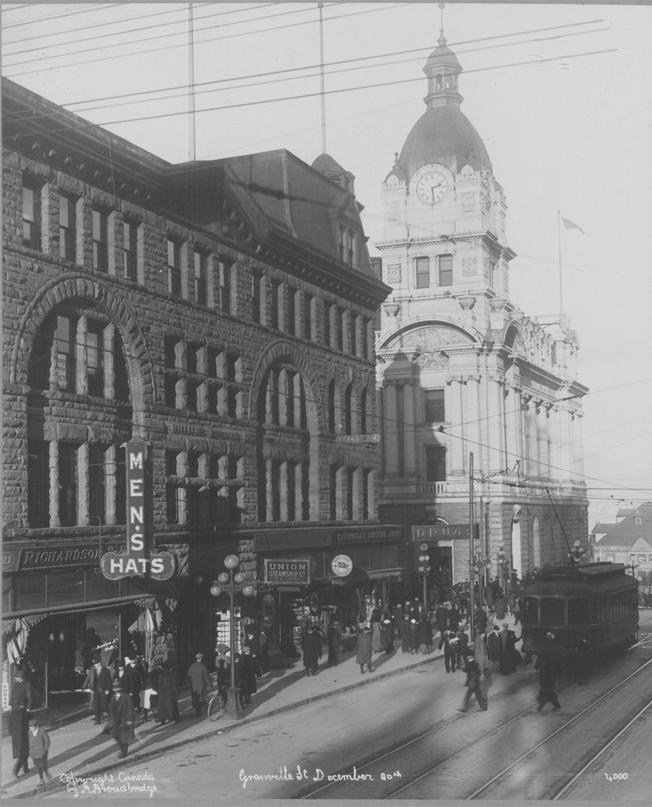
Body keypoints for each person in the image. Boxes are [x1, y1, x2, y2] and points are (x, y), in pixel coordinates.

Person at [10, 666, 32, 778]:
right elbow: (30, 699)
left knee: (20, 742)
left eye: (17, 677)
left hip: (14, 716)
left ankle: (25, 768)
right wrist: (28, 710)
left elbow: (10, 701)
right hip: (21, 715)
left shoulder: (15, 685)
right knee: (24, 744)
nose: (16, 679)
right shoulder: (26, 684)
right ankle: (16, 770)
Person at [106, 681, 135, 758]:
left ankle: (124, 752)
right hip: (115, 719)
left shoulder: (126, 696)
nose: (116, 689)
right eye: (115, 688)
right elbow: (111, 708)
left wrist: (130, 719)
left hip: (124, 719)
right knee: (115, 735)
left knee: (123, 736)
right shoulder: (113, 696)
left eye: (118, 687)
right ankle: (123, 747)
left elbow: (130, 708)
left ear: (121, 688)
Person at [86, 659, 113, 724]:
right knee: (96, 705)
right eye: (94, 664)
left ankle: (111, 718)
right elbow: (92, 679)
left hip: (104, 690)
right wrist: (91, 688)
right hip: (96, 690)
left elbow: (108, 680)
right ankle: (98, 720)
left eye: (96, 664)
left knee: (105, 705)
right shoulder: (94, 670)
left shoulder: (105, 670)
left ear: (99, 663)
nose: (95, 666)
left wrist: (108, 689)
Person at [28, 718, 52, 787]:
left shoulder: (42, 731)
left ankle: (46, 776)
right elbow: (30, 742)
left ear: (36, 726)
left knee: (43, 765)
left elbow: (47, 741)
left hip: (42, 752)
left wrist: (45, 750)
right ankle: (43, 779)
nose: (30, 728)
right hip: (34, 753)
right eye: (30, 727)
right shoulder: (29, 732)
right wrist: (30, 752)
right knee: (38, 766)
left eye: (32, 727)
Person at [187, 652, 211, 717]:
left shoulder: (192, 666)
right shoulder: (203, 667)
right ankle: (203, 709)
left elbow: (188, 674)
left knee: (196, 699)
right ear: (201, 658)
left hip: (194, 686)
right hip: (201, 686)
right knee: (202, 699)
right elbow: (206, 678)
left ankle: (198, 712)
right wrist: (209, 684)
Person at [156, 659, 178, 724]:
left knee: (162, 706)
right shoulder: (172, 674)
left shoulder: (161, 675)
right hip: (170, 692)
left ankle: (162, 719)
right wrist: (176, 694)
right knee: (170, 705)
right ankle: (171, 717)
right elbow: (174, 685)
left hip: (162, 692)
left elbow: (159, 684)